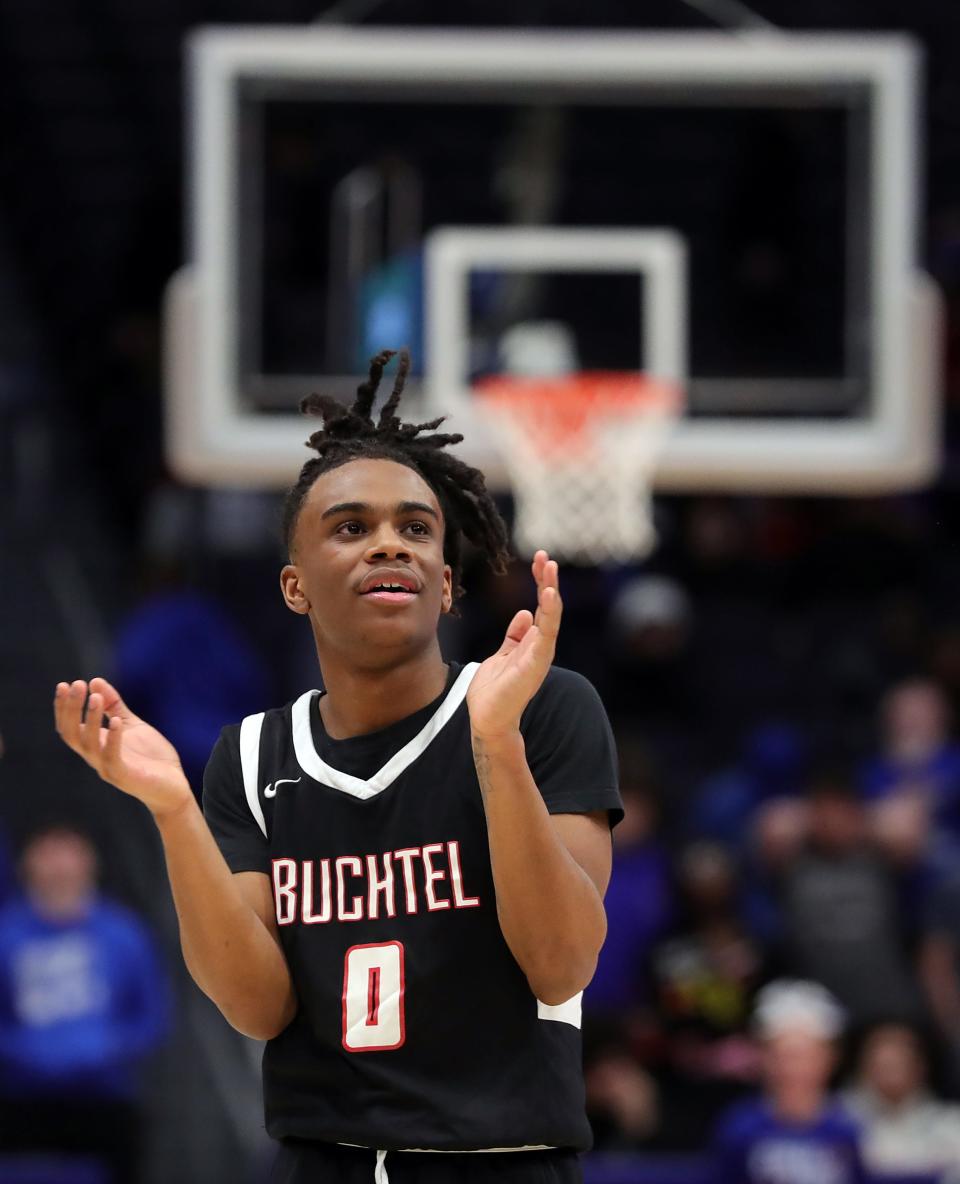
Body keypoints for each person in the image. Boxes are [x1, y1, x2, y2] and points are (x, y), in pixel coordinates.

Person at [53, 348, 622, 1184]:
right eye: (351, 527)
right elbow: (258, 1006)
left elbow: (563, 962)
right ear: (295, 587)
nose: (389, 545)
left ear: (448, 586)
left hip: (505, 1159)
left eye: (416, 528)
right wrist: (173, 810)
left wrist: (494, 743)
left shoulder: (541, 708)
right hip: (320, 1161)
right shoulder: (246, 758)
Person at [0, 825, 168, 1183]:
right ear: (27, 864)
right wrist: (29, 1053)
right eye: (49, 854)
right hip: (21, 1096)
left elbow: (151, 1014)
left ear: (90, 862)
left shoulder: (123, 933)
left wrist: (106, 1049)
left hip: (107, 1096)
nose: (60, 866)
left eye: (69, 853)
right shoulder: (7, 934)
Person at [710, 980, 867, 1184]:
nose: (792, 1068)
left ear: (829, 1059)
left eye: (803, 1055)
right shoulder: (739, 1129)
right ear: (765, 1058)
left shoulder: (847, 1128)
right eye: (783, 1055)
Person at [842, 1021, 960, 1182]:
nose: (890, 1075)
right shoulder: (842, 1118)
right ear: (864, 1068)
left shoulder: (950, 1123)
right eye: (882, 1065)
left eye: (898, 1064)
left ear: (920, 1067)